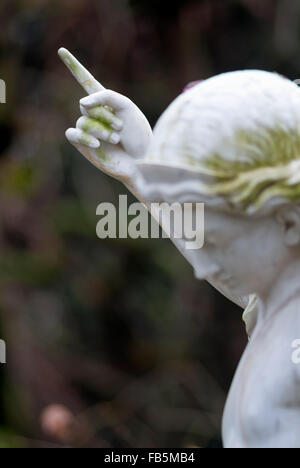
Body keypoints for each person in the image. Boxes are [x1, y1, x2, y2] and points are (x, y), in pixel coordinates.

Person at [64, 56, 300, 447]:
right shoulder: (276, 310)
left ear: (289, 221)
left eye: (220, 242)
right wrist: (144, 169)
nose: (202, 268)